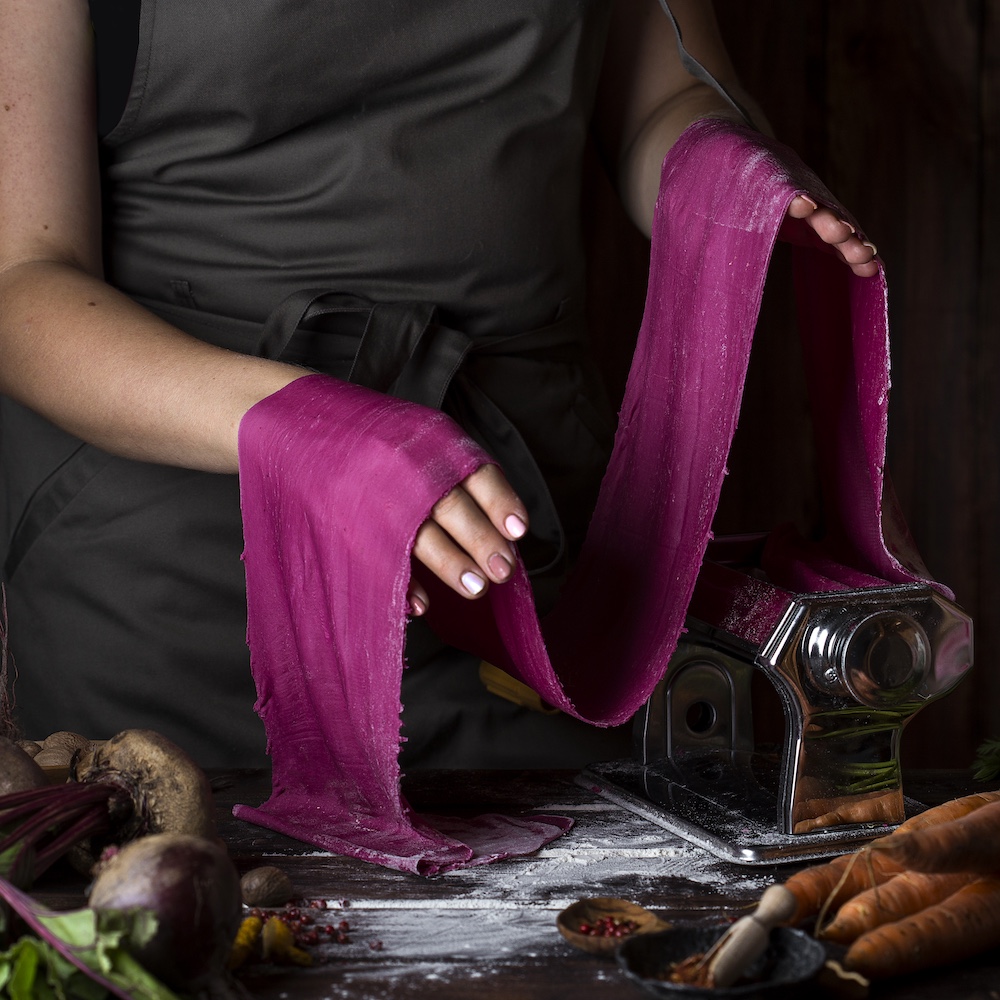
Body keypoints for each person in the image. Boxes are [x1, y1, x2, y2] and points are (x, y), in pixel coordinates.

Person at [0, 0, 879, 768]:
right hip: (176, 555)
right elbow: (23, 285)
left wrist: (720, 178)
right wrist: (309, 427)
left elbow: (660, 96)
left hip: (522, 536)